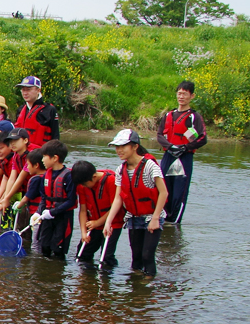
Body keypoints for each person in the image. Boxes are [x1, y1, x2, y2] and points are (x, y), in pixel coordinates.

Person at [104, 129, 168, 277]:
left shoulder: (150, 166)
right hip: (134, 217)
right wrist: (109, 222)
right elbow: (119, 198)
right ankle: (136, 291)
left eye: (123, 146)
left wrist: (155, 218)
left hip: (152, 216)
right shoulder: (121, 169)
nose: (119, 150)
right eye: (117, 147)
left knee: (147, 256)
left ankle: (149, 286)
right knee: (136, 258)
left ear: (134, 147)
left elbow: (163, 192)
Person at [156, 79, 206, 224]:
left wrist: (184, 148)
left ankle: (175, 223)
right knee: (163, 187)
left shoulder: (194, 117)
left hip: (184, 157)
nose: (181, 97)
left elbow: (202, 138)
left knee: (179, 192)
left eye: (184, 94)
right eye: (179, 93)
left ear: (192, 96)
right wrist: (170, 146)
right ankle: (162, 219)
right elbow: (159, 135)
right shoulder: (168, 115)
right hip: (169, 155)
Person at [72, 159, 121, 267]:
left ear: (94, 177)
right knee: (82, 255)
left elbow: (115, 207)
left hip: (112, 224)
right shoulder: (82, 186)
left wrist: (98, 222)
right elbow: (83, 210)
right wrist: (83, 233)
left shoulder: (111, 181)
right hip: (93, 225)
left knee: (106, 258)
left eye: (85, 184)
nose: (83, 186)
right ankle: (87, 280)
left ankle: (107, 279)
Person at [31, 139, 73, 258]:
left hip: (62, 218)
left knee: (58, 249)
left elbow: (71, 200)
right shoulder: (46, 175)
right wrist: (38, 213)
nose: (42, 159)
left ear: (55, 158)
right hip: (46, 215)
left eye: (44, 156)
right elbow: (44, 197)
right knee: (44, 246)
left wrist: (53, 212)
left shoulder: (68, 176)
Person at [13, 75, 59, 150]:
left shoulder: (49, 110)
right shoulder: (21, 109)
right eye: (23, 90)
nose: (25, 93)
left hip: (40, 154)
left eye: (28, 89)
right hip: (22, 154)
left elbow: (55, 137)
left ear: (38, 90)